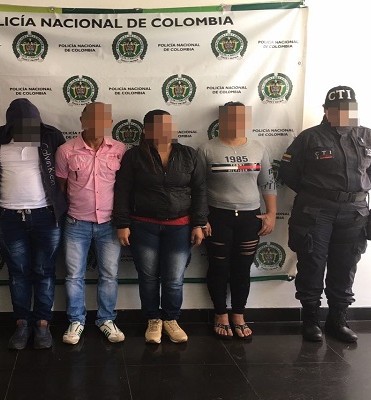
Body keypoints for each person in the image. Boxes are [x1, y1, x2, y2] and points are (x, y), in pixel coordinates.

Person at [279, 86, 371, 343]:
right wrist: (318, 193)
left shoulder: (367, 136)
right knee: (312, 264)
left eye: (348, 108)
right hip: (316, 211)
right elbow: (288, 172)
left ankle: (338, 321)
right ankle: (311, 321)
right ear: (326, 110)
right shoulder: (309, 138)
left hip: (354, 213)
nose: (343, 113)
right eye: (336, 109)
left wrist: (349, 194)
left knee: (345, 266)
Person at [113, 109, 208, 344]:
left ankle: (171, 319)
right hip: (143, 226)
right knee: (148, 278)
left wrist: (198, 223)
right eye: (159, 126)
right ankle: (153, 319)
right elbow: (122, 191)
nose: (166, 130)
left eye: (169, 125)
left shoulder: (189, 154)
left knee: (173, 279)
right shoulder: (134, 156)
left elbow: (199, 191)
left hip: (180, 227)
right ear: (147, 131)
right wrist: (122, 223)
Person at [0, 98, 67, 350]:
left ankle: (42, 323)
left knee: (44, 271)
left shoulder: (51, 137)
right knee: (18, 273)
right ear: (10, 125)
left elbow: (62, 173)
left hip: (46, 216)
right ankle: (22, 324)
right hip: (9, 218)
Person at [198, 101, 277, 340]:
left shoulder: (258, 148)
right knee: (219, 268)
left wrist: (271, 214)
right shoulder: (206, 149)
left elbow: (268, 183)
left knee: (242, 269)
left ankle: (239, 314)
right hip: (217, 217)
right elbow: (197, 187)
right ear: (221, 120)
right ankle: (220, 314)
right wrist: (201, 218)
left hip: (249, 218)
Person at [56, 102, 127, 345]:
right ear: (82, 120)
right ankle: (76, 320)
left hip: (109, 224)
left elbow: (123, 187)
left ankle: (106, 319)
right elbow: (61, 187)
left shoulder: (119, 149)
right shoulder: (66, 151)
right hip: (76, 223)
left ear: (109, 122)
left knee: (109, 275)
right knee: (74, 276)